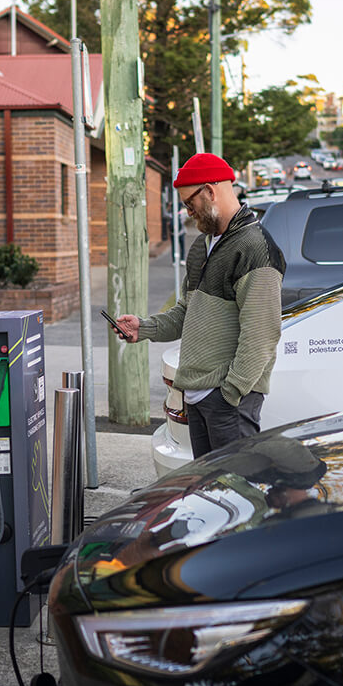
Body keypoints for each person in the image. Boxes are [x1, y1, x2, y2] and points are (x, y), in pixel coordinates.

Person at [115, 152, 285, 459]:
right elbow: (186, 312)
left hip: (228, 400)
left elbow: (261, 335)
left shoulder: (254, 247)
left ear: (209, 190)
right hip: (197, 396)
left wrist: (230, 393)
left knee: (237, 491)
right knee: (211, 495)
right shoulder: (201, 246)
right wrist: (144, 327)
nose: (187, 212)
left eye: (188, 203)